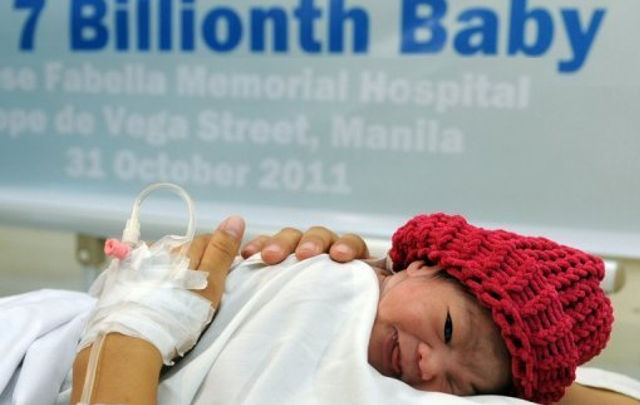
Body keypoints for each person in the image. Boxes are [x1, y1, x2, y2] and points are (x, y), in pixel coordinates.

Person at [69, 214, 634, 405]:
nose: (429, 369)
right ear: (422, 264)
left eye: (462, 387)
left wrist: (134, 329)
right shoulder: (337, 278)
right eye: (447, 330)